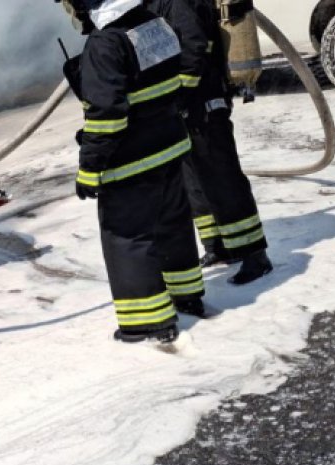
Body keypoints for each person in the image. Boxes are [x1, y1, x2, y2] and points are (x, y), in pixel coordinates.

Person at [58, 0, 208, 342]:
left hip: (130, 160)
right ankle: (187, 296)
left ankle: (148, 321)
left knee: (127, 236)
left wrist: (89, 167)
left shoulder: (104, 44)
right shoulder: (154, 24)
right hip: (169, 147)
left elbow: (107, 116)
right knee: (173, 225)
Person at [145, 0, 274, 283]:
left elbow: (195, 44)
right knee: (194, 181)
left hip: (204, 101)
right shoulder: (151, 4)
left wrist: (181, 89)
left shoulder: (174, 3)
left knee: (222, 179)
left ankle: (254, 254)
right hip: (182, 108)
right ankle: (217, 245)